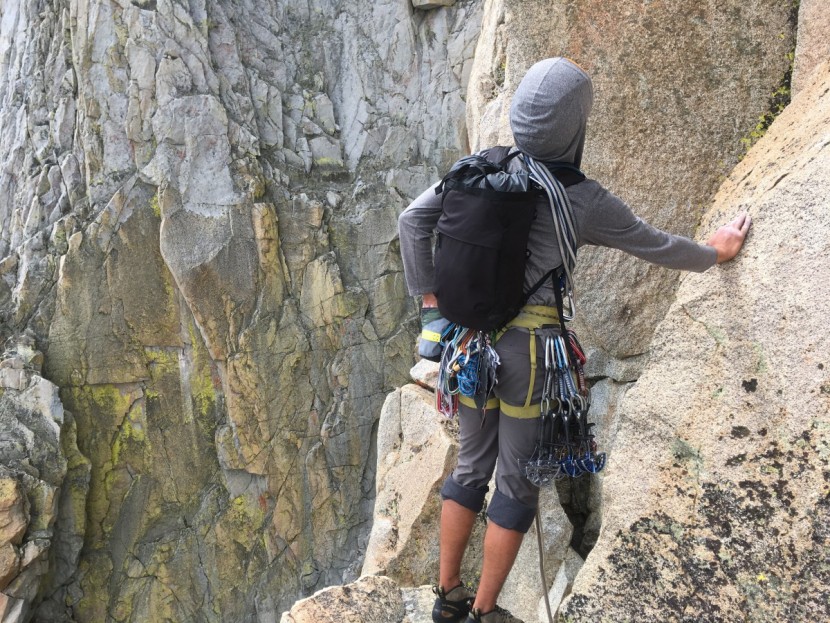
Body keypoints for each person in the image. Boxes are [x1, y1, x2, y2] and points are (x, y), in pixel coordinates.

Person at [397, 57, 751, 623]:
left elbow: (413, 219)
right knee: (515, 482)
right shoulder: (580, 199)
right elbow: (654, 244)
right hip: (532, 359)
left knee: (469, 467)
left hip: (470, 348)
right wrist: (716, 252)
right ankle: (486, 613)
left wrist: (430, 298)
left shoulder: (482, 167)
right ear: (573, 127)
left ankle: (448, 598)